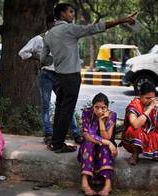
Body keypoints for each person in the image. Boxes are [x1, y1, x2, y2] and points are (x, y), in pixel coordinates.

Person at [41, 3, 136, 153]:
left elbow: (43, 58)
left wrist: (57, 60)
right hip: (71, 76)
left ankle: (55, 142)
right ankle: (58, 145)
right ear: (62, 14)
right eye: (70, 12)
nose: (72, 15)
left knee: (60, 108)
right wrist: (122, 20)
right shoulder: (70, 29)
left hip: (58, 76)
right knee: (66, 110)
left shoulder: (49, 34)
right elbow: (96, 28)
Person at [18, 15, 84, 145]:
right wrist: (38, 57)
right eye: (55, 25)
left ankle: (76, 134)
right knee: (46, 105)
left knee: (67, 105)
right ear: (48, 25)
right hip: (47, 75)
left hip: (62, 75)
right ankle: (48, 134)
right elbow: (22, 53)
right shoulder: (39, 39)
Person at [121, 82, 158, 165]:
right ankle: (135, 154)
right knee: (132, 130)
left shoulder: (154, 104)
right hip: (137, 136)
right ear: (140, 95)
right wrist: (150, 108)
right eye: (147, 98)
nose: (150, 101)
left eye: (152, 98)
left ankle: (156, 153)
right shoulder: (134, 105)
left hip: (151, 134)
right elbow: (135, 124)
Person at [78, 93, 117, 196]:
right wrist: (107, 143)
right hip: (91, 144)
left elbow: (107, 136)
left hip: (105, 146)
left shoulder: (112, 115)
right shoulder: (86, 113)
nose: (100, 111)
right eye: (96, 107)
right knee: (88, 145)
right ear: (92, 106)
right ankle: (84, 183)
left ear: (107, 107)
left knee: (105, 148)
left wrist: (101, 120)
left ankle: (108, 185)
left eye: (103, 108)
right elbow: (86, 134)